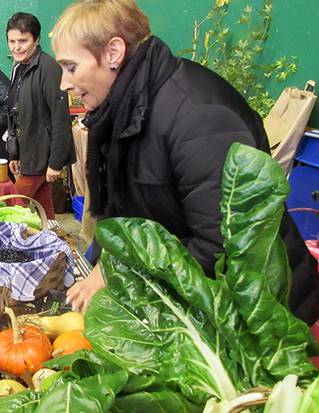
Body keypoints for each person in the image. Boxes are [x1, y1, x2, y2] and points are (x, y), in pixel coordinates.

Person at [53, 0, 319, 324]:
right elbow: (131, 217)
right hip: (201, 306)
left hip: (262, 319)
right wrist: (109, 257)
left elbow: (223, 248)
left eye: (71, 67)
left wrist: (121, 269)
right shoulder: (125, 112)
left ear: (113, 53)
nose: (64, 84)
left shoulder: (200, 118)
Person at [5, 12, 73, 222]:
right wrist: (14, 153)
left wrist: (55, 162)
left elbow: (60, 117)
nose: (17, 47)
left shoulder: (49, 68)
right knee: (45, 209)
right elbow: (14, 112)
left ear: (37, 40)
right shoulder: (19, 67)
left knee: (11, 206)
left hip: (41, 155)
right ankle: (55, 242)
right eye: (12, 41)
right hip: (28, 153)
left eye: (23, 41)